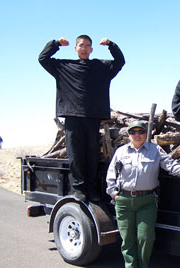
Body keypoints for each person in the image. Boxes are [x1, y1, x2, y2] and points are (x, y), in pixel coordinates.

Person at [106, 120, 180, 268]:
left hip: (147, 201)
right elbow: (111, 175)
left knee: (145, 237)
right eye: (133, 132)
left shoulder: (155, 150)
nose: (137, 135)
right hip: (124, 201)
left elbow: (170, 164)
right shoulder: (121, 152)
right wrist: (114, 194)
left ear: (145, 133)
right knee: (127, 238)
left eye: (140, 132)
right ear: (128, 135)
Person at [39, 35, 125, 202]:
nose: (84, 48)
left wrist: (111, 45)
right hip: (72, 116)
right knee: (76, 155)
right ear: (75, 48)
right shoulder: (64, 66)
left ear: (91, 49)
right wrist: (56, 44)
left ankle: (92, 190)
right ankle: (79, 189)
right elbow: (43, 58)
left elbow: (120, 61)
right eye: (81, 45)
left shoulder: (100, 67)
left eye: (87, 46)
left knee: (92, 154)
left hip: (93, 117)